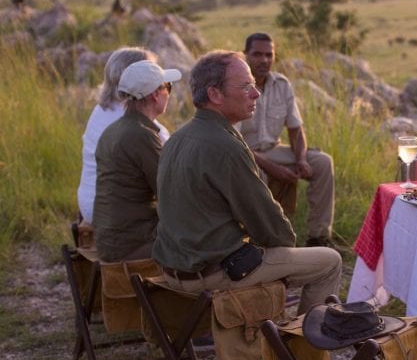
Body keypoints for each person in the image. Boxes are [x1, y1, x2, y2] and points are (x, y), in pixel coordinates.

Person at [152, 49, 342, 316]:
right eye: (246, 87)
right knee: (329, 262)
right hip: (212, 274)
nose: (256, 94)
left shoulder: (177, 138)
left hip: (175, 268)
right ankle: (303, 347)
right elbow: (271, 227)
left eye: (254, 85)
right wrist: (286, 246)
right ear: (215, 94)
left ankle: (277, 330)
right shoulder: (224, 145)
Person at [237, 32, 335, 247]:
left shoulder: (282, 84)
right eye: (257, 54)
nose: (264, 60)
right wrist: (273, 168)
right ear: (245, 56)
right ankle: (262, 242)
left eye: (269, 55)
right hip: (245, 154)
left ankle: (319, 237)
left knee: (322, 162)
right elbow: (234, 141)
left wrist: (301, 159)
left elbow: (296, 129)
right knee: (259, 175)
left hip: (274, 149)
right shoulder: (238, 87)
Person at [92, 60, 180, 262]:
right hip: (132, 244)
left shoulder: (113, 130)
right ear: (155, 94)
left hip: (112, 239)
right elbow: (172, 194)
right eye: (168, 87)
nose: (169, 93)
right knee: (211, 243)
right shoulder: (141, 135)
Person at [77, 47, 170, 224]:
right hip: (111, 211)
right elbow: (168, 167)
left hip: (91, 202)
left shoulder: (102, 110)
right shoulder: (131, 122)